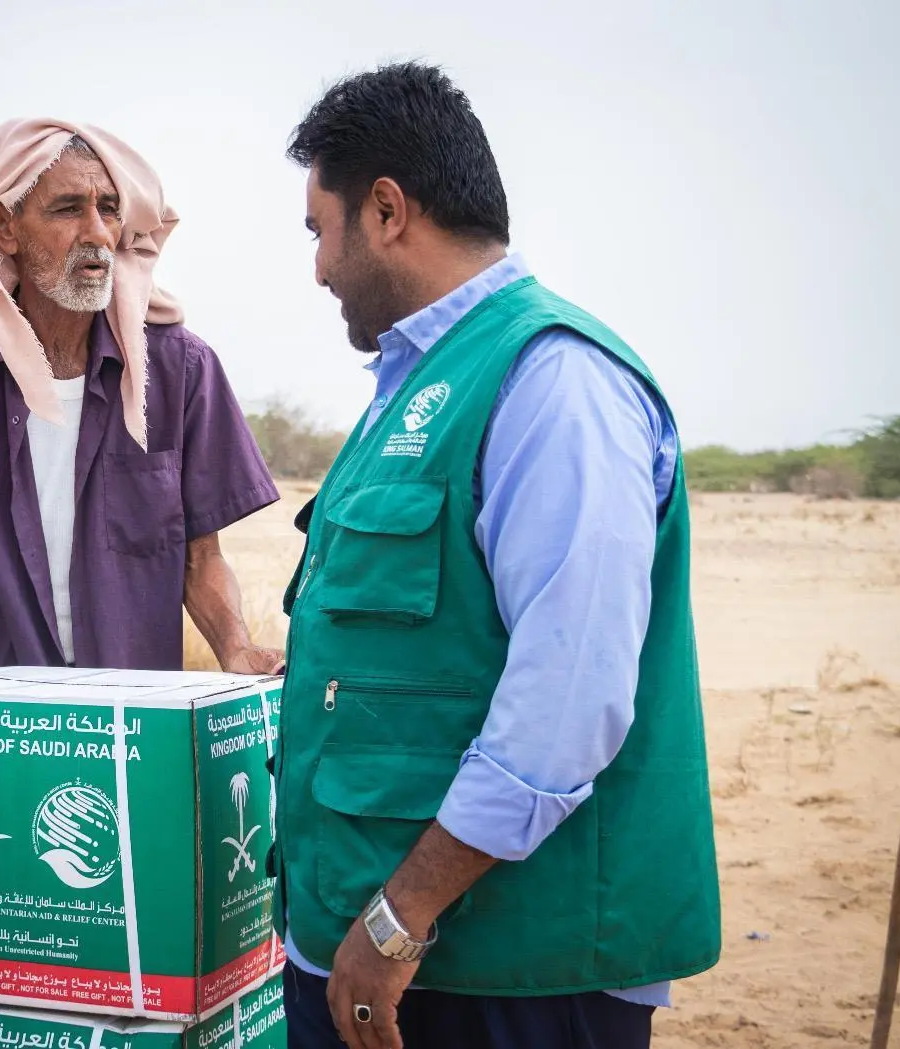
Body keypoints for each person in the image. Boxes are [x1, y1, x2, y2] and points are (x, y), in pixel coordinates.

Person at [269, 63, 720, 1049]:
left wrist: (396, 919)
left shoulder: (552, 380)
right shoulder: (413, 386)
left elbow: (565, 699)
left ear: (385, 209)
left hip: (499, 975)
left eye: (318, 229)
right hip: (373, 949)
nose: (316, 268)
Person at [0, 119, 281, 744]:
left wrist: (235, 649)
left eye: (108, 209)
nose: (98, 234)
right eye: (68, 210)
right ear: (3, 225)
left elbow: (201, 559)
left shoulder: (180, 369)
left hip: (139, 719)